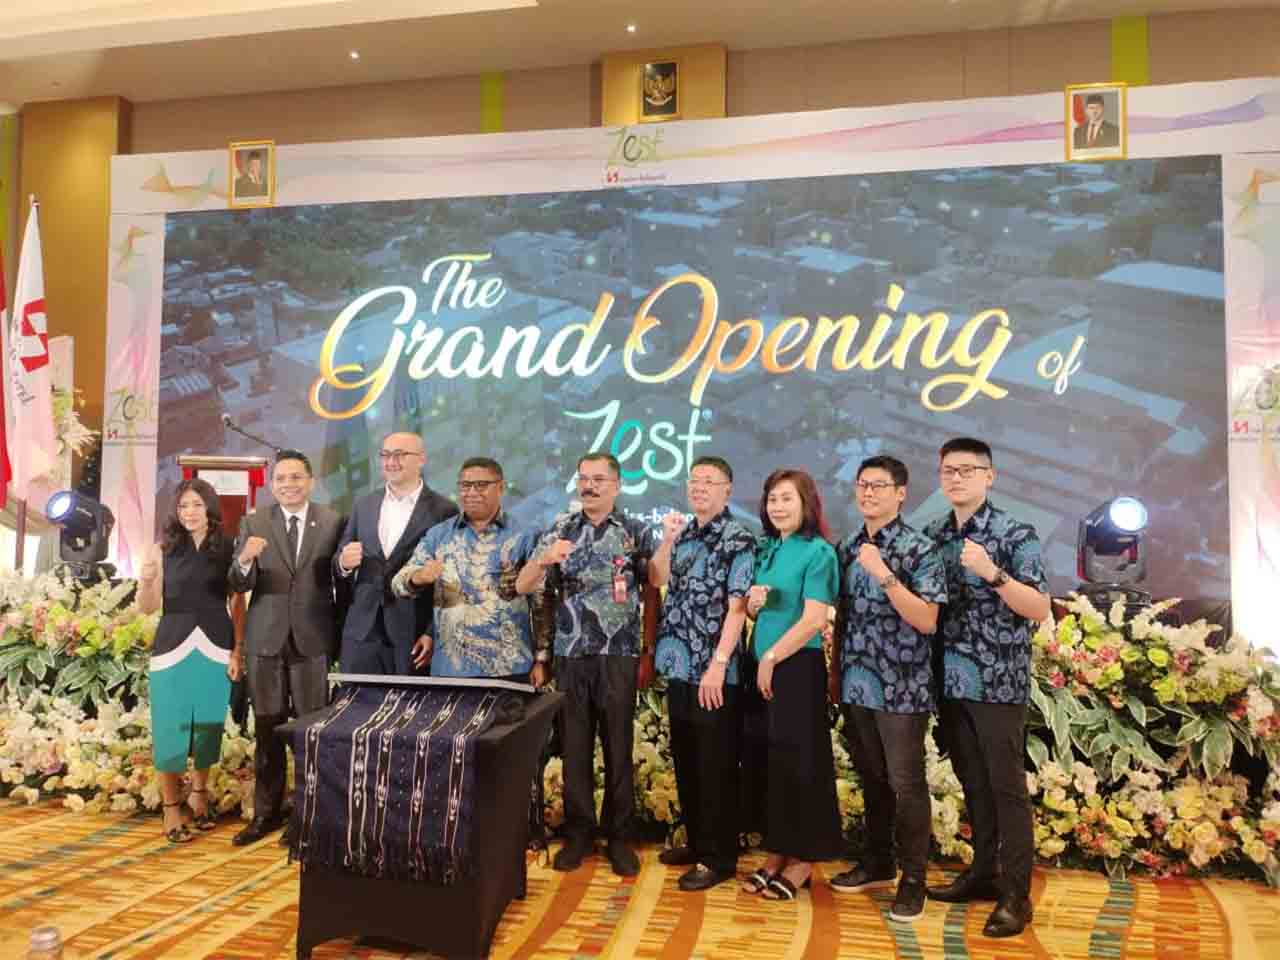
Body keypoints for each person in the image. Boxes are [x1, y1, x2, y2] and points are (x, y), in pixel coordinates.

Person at [923, 438, 1050, 938]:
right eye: (948, 471)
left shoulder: (1015, 533)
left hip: (998, 683)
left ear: (989, 477)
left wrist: (992, 573)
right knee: (972, 781)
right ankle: (982, 873)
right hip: (949, 679)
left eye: (967, 470)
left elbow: (1039, 607)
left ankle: (1016, 896)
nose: (956, 478)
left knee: (1006, 788)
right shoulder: (933, 534)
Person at [515, 453, 658, 876]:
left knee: (618, 746)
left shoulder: (634, 531)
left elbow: (654, 588)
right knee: (575, 747)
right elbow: (527, 588)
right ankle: (579, 834)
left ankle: (619, 836)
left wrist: (648, 651)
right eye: (583, 479)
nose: (589, 486)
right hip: (571, 654)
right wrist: (544, 559)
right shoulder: (560, 529)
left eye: (598, 479)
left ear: (617, 485)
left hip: (619, 654)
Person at [829, 456, 947, 922]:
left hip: (903, 687)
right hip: (857, 683)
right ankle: (877, 862)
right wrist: (836, 675)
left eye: (879, 486)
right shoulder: (848, 546)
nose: (868, 493)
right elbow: (843, 617)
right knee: (872, 777)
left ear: (901, 494)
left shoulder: (920, 549)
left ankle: (914, 880)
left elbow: (927, 619)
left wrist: (884, 574)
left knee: (906, 783)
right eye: (862, 485)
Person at [229, 449, 345, 846]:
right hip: (265, 641)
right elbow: (238, 583)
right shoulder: (254, 522)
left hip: (313, 639)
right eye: (280, 478)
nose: (288, 485)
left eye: (296, 477)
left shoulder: (331, 521)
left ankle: (308, 817)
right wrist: (245, 559)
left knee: (311, 732)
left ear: (310, 482)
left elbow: (340, 578)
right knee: (268, 729)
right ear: (271, 484)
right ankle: (266, 813)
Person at [650, 456, 755, 892]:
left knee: (716, 765)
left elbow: (737, 607)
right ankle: (697, 842)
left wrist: (719, 663)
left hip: (715, 671)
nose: (699, 488)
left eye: (709, 482)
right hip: (680, 666)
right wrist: (666, 541)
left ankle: (719, 857)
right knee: (689, 760)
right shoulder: (684, 533)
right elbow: (656, 577)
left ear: (727, 490)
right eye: (694, 481)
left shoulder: (739, 538)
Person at [741, 469, 842, 901]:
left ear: (806, 504)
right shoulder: (767, 549)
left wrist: (771, 657)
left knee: (802, 764)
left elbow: (814, 619)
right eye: (772, 499)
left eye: (787, 498)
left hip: (796, 667)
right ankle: (777, 851)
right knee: (772, 764)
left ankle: (803, 859)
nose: (778, 507)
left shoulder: (819, 552)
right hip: (763, 667)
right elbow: (757, 610)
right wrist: (752, 605)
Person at [137, 478, 240, 843]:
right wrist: (146, 582)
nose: (190, 512)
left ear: (209, 508)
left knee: (208, 727)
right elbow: (147, 606)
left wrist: (238, 649)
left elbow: (237, 602)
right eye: (183, 506)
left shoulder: (228, 547)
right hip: (171, 644)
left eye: (196, 505)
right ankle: (171, 808)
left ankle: (198, 796)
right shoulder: (161, 549)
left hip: (216, 643)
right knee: (170, 727)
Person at [390, 457, 549, 684]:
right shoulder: (439, 535)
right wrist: (419, 577)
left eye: (481, 485)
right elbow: (398, 585)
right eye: (465, 486)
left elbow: (541, 599)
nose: (472, 492)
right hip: (449, 669)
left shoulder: (525, 535)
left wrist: (542, 658)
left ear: (501, 487)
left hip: (509, 667)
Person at [335, 432, 458, 675]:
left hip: (412, 632)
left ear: (421, 459)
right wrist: (343, 563)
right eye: (385, 455)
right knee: (356, 698)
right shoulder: (364, 504)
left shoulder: (444, 510)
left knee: (409, 700)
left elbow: (451, 581)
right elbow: (340, 556)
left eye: (400, 454)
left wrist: (432, 632)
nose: (391, 462)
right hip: (362, 631)